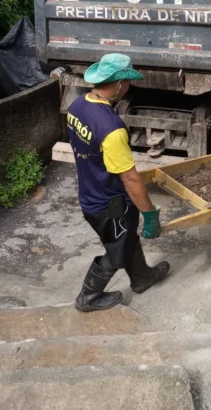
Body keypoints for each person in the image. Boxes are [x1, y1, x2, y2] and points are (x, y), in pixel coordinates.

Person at [67, 53, 170, 312]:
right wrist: (149, 214)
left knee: (124, 238)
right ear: (120, 84)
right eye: (127, 82)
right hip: (110, 203)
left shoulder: (78, 106)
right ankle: (88, 298)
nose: (128, 87)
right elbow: (130, 178)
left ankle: (142, 277)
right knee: (117, 249)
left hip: (90, 192)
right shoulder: (111, 128)